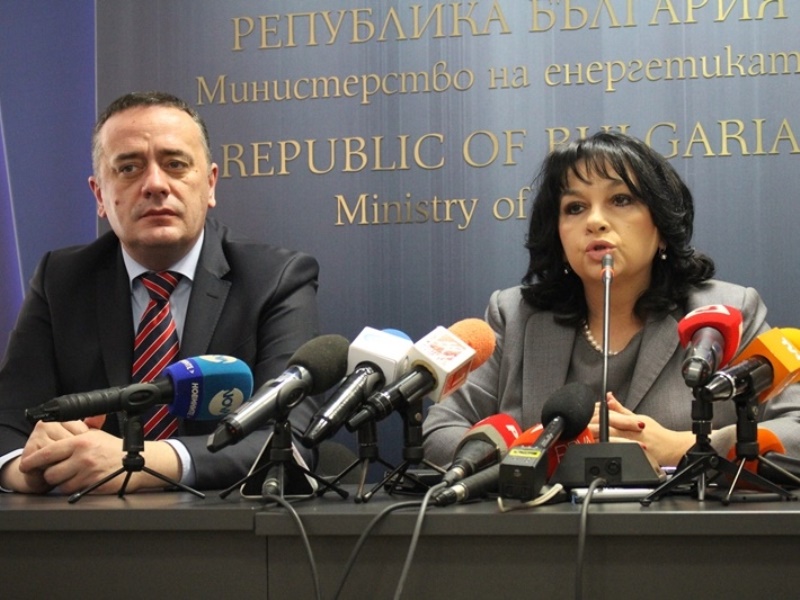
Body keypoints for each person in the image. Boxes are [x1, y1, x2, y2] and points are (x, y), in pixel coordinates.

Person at [0, 91, 320, 494]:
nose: (154, 184)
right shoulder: (61, 280)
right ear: (100, 196)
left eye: (175, 165)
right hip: (90, 524)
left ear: (210, 184)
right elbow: (8, 419)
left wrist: (139, 463)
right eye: (129, 168)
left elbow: (291, 435)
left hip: (225, 525)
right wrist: (28, 467)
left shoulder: (275, 278)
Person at [423, 131, 800, 469]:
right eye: (575, 207)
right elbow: (440, 432)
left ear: (662, 227)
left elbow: (795, 427)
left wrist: (682, 448)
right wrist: (534, 454)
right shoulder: (513, 316)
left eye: (620, 200)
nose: (595, 221)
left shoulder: (726, 313)